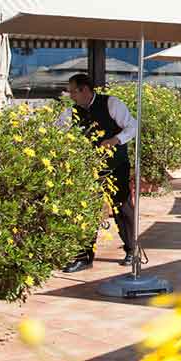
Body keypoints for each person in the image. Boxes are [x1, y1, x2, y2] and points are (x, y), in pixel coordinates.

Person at [59, 72, 138, 271]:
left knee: (122, 206)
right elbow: (57, 130)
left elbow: (132, 126)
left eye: (73, 91)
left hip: (116, 165)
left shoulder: (111, 103)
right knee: (87, 210)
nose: (70, 96)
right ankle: (84, 257)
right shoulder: (71, 112)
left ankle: (131, 249)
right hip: (88, 167)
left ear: (85, 90)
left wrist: (115, 140)